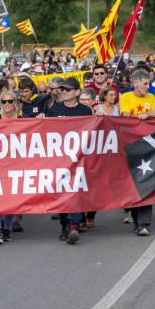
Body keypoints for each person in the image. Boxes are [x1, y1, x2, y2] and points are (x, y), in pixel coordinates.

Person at [40, 77, 94, 243]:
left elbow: (94, 133)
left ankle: (73, 225)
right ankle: (64, 225)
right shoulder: (53, 109)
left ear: (77, 92)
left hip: (79, 161)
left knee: (75, 192)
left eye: (67, 90)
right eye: (62, 89)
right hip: (59, 161)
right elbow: (45, 133)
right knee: (62, 193)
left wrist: (99, 117)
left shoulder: (85, 111)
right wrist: (41, 119)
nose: (63, 92)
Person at [120, 69, 155, 236]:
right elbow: (125, 117)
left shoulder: (152, 98)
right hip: (131, 146)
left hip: (149, 147)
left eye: (149, 83)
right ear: (135, 84)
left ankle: (144, 223)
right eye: (145, 84)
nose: (148, 86)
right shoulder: (125, 97)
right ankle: (136, 219)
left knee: (147, 183)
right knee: (134, 185)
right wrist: (148, 114)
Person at [0, 91, 20, 244]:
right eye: (4, 101)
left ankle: (6, 228)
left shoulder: (23, 121)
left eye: (10, 101)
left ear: (15, 103)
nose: (7, 104)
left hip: (16, 164)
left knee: (11, 197)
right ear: (0, 104)